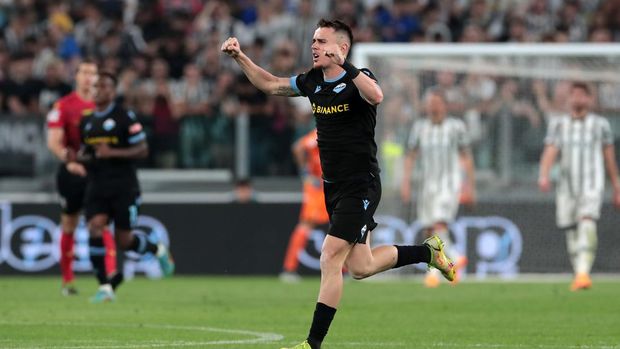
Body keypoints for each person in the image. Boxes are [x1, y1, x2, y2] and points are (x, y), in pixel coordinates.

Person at [222, 19, 456, 349]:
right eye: (314, 41)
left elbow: (376, 96)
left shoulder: (361, 77)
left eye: (321, 41)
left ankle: (312, 343)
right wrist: (240, 58)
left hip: (361, 185)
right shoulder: (313, 81)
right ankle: (427, 251)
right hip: (332, 186)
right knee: (361, 266)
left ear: (341, 48)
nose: (314, 46)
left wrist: (345, 64)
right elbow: (272, 84)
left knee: (330, 256)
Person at [79, 72, 175, 303]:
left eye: (104, 86)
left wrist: (112, 152)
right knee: (95, 227)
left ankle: (156, 249)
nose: (99, 90)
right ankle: (104, 286)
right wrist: (80, 157)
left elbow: (142, 149)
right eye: (96, 86)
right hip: (97, 185)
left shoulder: (125, 117)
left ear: (113, 91)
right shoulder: (87, 120)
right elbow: (89, 152)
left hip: (124, 187)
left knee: (124, 241)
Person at [539, 81, 620, 291]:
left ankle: (583, 272)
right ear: (568, 99)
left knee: (587, 220)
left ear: (590, 99)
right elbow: (550, 150)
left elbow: (608, 155)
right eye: (573, 94)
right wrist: (544, 175)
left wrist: (616, 185)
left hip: (592, 182)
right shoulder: (558, 124)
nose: (577, 98)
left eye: (582, 95)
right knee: (571, 229)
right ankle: (579, 273)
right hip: (567, 185)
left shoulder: (600, 124)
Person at [46, 60, 117, 296]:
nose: (88, 77)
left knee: (101, 222)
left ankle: (108, 280)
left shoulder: (105, 107)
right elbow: (53, 142)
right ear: (76, 76)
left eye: (92, 73)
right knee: (69, 223)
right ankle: (68, 281)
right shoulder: (64, 106)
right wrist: (70, 162)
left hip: (98, 173)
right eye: (84, 72)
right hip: (71, 173)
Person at [401, 89, 476, 287]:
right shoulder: (419, 128)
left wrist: (469, 186)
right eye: (430, 102)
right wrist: (406, 182)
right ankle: (436, 272)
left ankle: (456, 256)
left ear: (445, 105)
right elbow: (410, 156)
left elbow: (466, 157)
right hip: (427, 185)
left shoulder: (456, 127)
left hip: (450, 183)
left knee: (438, 224)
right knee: (428, 230)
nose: (433, 106)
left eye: (437, 102)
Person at [280, 129, 330, 282]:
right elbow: (298, 147)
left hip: (331, 184)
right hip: (318, 185)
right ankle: (289, 269)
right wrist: (306, 173)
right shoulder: (322, 131)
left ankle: (345, 269)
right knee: (307, 224)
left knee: (337, 225)